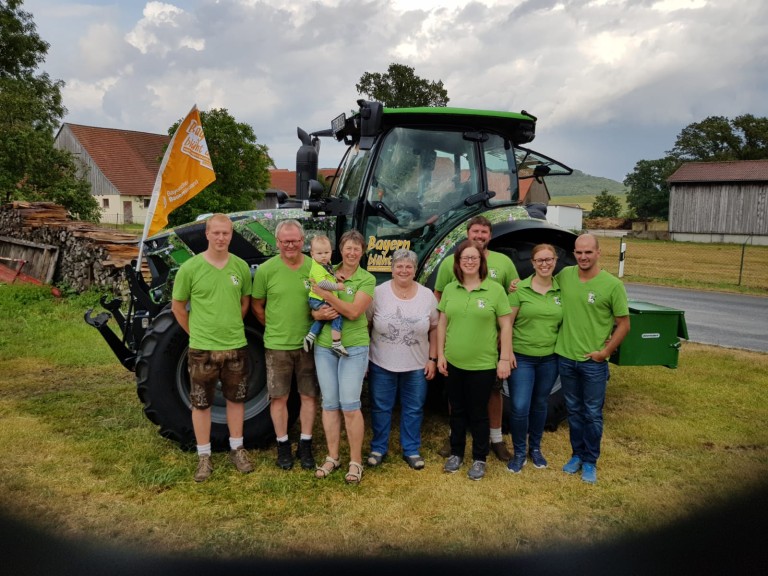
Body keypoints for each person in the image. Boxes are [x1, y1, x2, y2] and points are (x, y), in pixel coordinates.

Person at [171, 213, 253, 482]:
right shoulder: (190, 269)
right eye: (216, 233)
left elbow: (243, 304)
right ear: (207, 234)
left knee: (236, 399)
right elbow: (178, 307)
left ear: (231, 235)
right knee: (201, 403)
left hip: (235, 346)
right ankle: (204, 455)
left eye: (226, 233)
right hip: (201, 349)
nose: (221, 238)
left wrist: (227, 326)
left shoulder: (240, 267)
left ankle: (237, 449)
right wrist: (196, 334)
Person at [434, 215, 519, 461]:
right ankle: (455, 439)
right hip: (459, 344)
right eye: (475, 232)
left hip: (489, 343)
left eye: (484, 232)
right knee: (456, 397)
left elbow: (512, 300)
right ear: (467, 233)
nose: (479, 236)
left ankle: (496, 439)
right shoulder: (450, 263)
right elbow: (441, 301)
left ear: (490, 236)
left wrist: (505, 344)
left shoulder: (503, 262)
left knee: (492, 393)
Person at [555, 233, 630, 484]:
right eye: (578, 252)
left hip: (593, 362)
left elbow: (624, 324)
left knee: (592, 413)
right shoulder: (565, 276)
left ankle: (590, 461)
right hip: (565, 358)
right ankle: (576, 455)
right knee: (574, 411)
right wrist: (515, 285)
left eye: (588, 252)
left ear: (598, 253)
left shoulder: (612, 285)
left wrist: (605, 352)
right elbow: (540, 285)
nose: (583, 257)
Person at [251, 219, 319, 471]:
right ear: (277, 242)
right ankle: (283, 445)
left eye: (295, 240)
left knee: (309, 396)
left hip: (308, 343)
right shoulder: (266, 270)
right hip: (277, 345)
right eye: (285, 241)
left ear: (303, 241)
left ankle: (306, 444)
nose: (290, 245)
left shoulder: (314, 268)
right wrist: (274, 326)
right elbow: (257, 305)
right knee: (279, 397)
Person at [310, 230, 375, 484]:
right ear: (340, 249)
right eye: (348, 248)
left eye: (357, 248)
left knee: (350, 405)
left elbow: (353, 312)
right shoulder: (325, 269)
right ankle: (333, 456)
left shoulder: (366, 279)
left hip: (354, 347)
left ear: (362, 252)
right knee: (329, 404)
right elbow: (312, 306)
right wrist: (317, 315)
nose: (352, 252)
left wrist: (326, 295)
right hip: (325, 346)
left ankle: (355, 461)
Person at [366, 249, 438, 470]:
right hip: (381, 361)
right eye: (399, 266)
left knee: (413, 407)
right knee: (380, 406)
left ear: (415, 270)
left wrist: (432, 358)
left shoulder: (427, 296)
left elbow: (434, 328)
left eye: (408, 266)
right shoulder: (378, 293)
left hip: (416, 364)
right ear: (392, 269)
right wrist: (365, 357)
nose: (404, 270)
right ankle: (378, 447)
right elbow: (367, 324)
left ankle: (411, 449)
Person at [506, 243, 563, 473]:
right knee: (520, 406)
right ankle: (519, 452)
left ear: (555, 261)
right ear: (532, 263)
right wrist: (506, 353)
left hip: (550, 358)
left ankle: (535, 449)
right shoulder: (519, 289)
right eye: (540, 260)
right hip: (522, 358)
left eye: (549, 259)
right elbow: (507, 324)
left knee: (540, 404)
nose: (545, 264)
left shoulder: (562, 290)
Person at [303, 234, 348, 357]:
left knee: (325, 317)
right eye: (319, 253)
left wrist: (335, 276)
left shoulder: (326, 264)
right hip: (318, 299)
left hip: (318, 299)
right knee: (336, 315)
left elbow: (328, 274)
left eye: (327, 252)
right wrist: (337, 286)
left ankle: (310, 337)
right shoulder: (317, 267)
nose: (324, 256)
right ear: (312, 254)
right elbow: (322, 283)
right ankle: (336, 343)